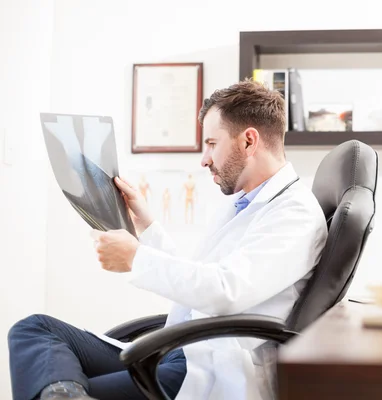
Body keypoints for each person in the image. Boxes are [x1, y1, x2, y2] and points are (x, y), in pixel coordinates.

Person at [8, 79, 328, 400]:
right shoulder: (245, 203)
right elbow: (201, 275)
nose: (205, 159)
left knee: (53, 384)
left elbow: (226, 291)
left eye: (212, 143)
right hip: (181, 348)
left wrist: (135, 258)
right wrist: (145, 226)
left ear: (248, 140)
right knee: (35, 329)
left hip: (205, 366)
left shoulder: (294, 214)